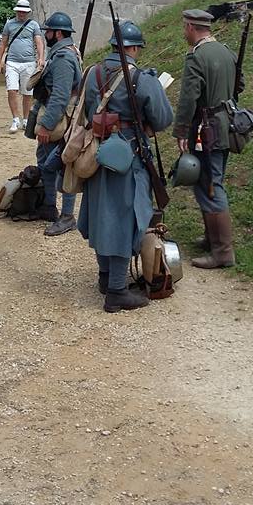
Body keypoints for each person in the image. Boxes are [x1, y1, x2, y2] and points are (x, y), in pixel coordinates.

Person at [77, 20, 173, 313]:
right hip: (128, 157)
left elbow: (86, 110)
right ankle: (117, 291)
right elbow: (163, 119)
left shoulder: (92, 73)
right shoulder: (141, 79)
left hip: (96, 153)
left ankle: (106, 277)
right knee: (123, 220)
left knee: (101, 215)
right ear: (133, 49)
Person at [172, 9, 242, 269]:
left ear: (191, 27)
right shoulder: (226, 52)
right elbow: (240, 85)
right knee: (211, 180)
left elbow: (188, 98)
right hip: (226, 126)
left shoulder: (197, 56)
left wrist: (181, 130)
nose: (184, 32)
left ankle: (223, 252)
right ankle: (212, 238)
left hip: (207, 130)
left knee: (211, 186)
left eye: (185, 27)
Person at [35, 12, 82, 236]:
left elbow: (60, 96)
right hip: (60, 115)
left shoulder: (63, 58)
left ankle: (67, 216)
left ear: (58, 33)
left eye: (49, 31)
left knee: (62, 165)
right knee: (45, 160)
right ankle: (49, 206)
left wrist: (47, 125)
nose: (46, 35)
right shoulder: (63, 52)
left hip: (61, 118)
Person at [0, 0, 45, 133]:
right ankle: (15, 119)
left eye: (24, 12)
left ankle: (26, 119)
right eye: (20, 11)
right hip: (12, 62)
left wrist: (41, 58)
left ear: (28, 12)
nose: (21, 14)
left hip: (29, 62)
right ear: (16, 11)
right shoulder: (9, 24)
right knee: (12, 90)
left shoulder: (33, 25)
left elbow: (39, 42)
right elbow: (3, 43)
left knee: (27, 92)